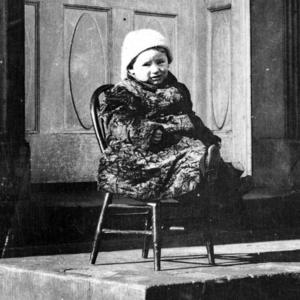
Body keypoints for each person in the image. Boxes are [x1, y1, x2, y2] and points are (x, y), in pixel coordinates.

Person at [97, 29, 243, 203]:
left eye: (160, 62)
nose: (156, 69)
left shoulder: (176, 89)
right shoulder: (125, 92)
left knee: (198, 150)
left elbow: (191, 118)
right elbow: (119, 123)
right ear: (131, 70)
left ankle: (217, 181)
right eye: (146, 65)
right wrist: (147, 132)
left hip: (175, 146)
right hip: (143, 152)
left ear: (168, 62)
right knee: (193, 157)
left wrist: (208, 137)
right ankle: (220, 182)